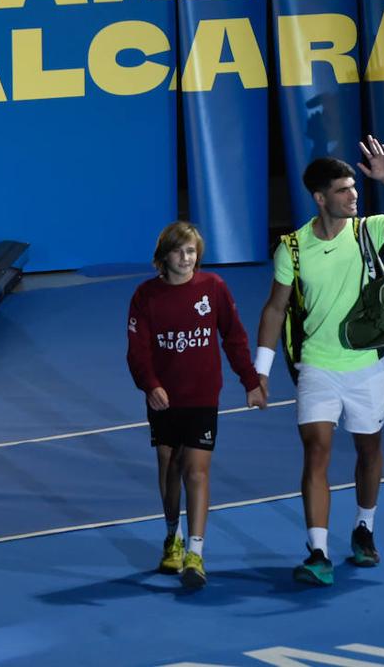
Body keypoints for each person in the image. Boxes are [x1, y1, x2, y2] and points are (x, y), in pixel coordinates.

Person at [254, 136, 384, 585]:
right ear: (320, 198)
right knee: (317, 451)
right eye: (344, 190)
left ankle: (364, 529)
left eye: (355, 188)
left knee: (368, 449)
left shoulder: (367, 230)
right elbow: (276, 308)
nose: (354, 196)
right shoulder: (291, 248)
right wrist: (260, 369)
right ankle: (317, 551)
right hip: (316, 365)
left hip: (368, 364)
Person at [126, 221, 267, 589]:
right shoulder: (145, 296)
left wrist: (251, 382)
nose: (187, 258)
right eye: (179, 251)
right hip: (164, 400)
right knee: (169, 468)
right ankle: (172, 536)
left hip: (203, 397)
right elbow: (137, 352)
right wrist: (150, 385)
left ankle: (195, 553)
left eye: (192, 251)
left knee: (196, 472)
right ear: (163, 257)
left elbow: (234, 337)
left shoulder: (214, 288)